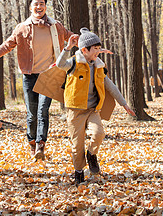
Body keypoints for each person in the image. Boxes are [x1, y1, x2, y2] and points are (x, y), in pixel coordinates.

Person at [0, 0, 75, 160]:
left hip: (49, 75)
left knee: (43, 111)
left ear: (45, 6)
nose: (39, 7)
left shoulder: (56, 26)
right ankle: (31, 142)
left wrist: (92, 45)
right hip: (29, 76)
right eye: (35, 4)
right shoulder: (22, 28)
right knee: (32, 114)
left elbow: (73, 37)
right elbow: (6, 46)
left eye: (42, 3)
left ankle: (41, 145)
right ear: (30, 8)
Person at [56, 28, 136, 185]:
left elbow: (110, 86)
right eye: (96, 49)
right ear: (84, 50)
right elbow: (60, 64)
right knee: (77, 145)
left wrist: (124, 104)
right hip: (75, 110)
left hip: (93, 110)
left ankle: (91, 154)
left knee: (99, 133)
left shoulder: (99, 66)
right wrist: (67, 47)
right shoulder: (74, 63)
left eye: (100, 48)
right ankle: (78, 172)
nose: (99, 52)